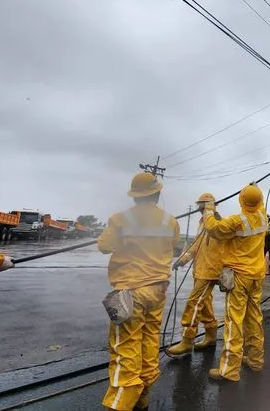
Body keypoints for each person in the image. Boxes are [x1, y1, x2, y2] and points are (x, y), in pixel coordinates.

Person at [98, 172, 180, 411]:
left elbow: (104, 246)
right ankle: (141, 397)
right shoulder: (170, 221)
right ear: (157, 192)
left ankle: (120, 404)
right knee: (149, 341)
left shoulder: (120, 219)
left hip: (130, 292)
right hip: (157, 290)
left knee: (125, 347)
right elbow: (171, 245)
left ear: (134, 196)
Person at [201, 183, 268, 382]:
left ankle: (229, 370)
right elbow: (259, 202)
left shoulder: (236, 221)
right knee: (254, 318)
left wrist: (208, 209)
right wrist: (254, 190)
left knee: (234, 322)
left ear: (241, 200)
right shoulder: (264, 217)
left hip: (239, 277)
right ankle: (256, 360)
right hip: (256, 276)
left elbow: (212, 228)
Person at [166, 193, 227, 356]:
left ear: (208, 206)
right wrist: (183, 259)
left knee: (194, 302)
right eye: (199, 205)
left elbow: (219, 237)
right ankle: (211, 335)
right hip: (200, 269)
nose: (199, 208)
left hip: (210, 271)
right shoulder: (202, 223)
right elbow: (195, 245)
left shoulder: (217, 222)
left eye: (202, 205)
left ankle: (187, 340)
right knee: (204, 302)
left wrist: (210, 214)